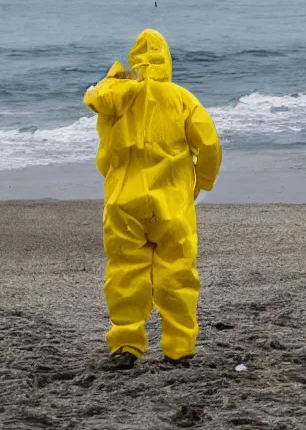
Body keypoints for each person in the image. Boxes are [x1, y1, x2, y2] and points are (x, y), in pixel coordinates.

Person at [84, 29, 222, 370]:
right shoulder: (182, 99)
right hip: (171, 201)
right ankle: (179, 347)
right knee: (177, 273)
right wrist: (202, 182)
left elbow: (100, 125)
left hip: (123, 199)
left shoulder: (116, 95)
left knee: (125, 273)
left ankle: (127, 343)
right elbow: (209, 146)